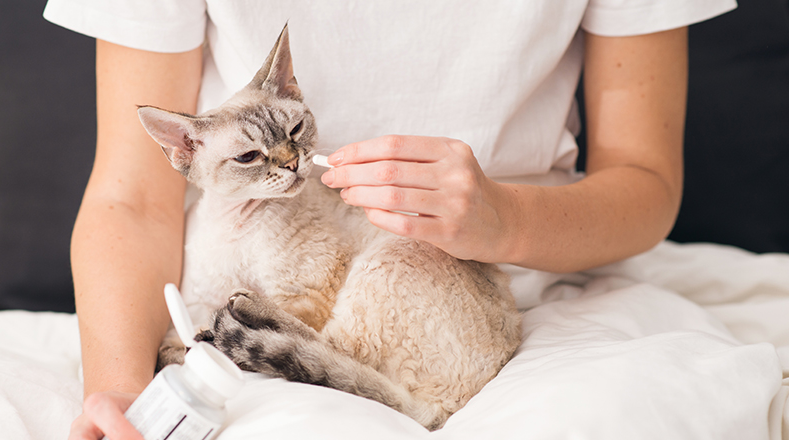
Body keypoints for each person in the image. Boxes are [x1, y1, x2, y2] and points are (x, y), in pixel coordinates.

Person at [42, 1, 736, 439]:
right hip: (270, 332)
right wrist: (124, 393)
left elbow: (648, 183)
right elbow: (129, 198)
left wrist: (506, 221)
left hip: (540, 293)